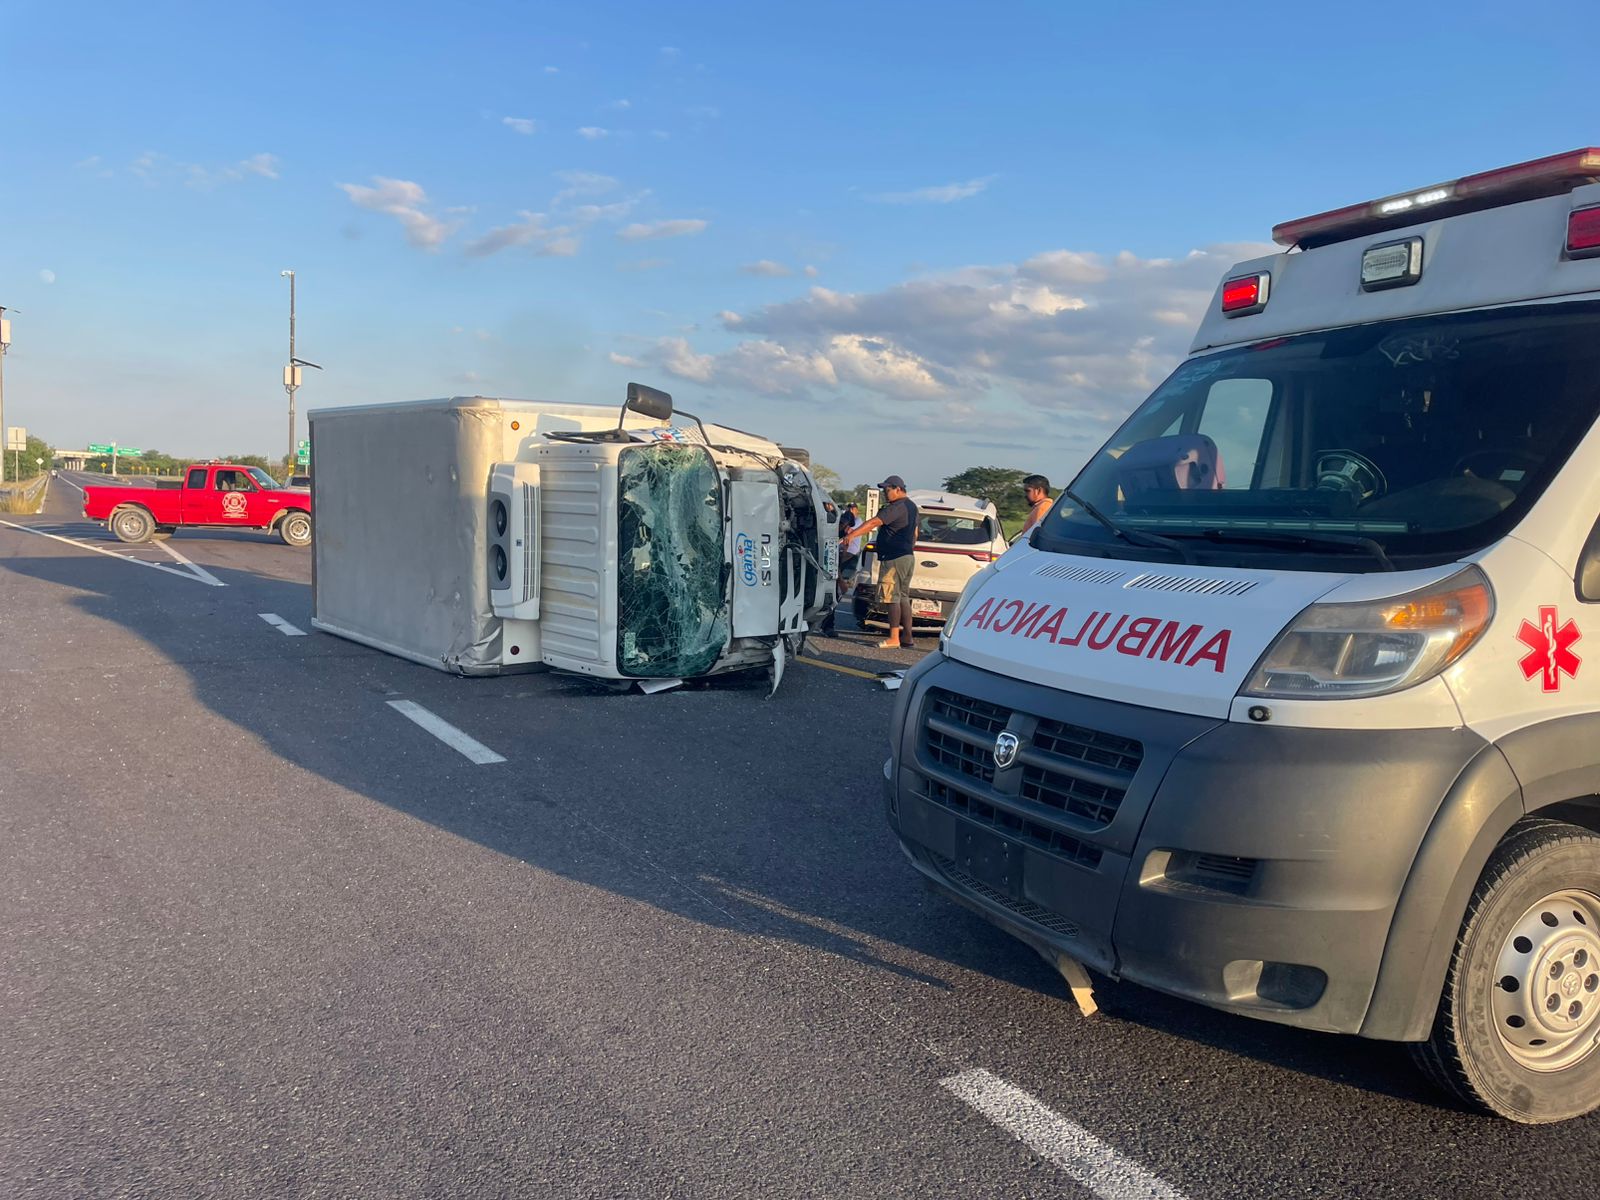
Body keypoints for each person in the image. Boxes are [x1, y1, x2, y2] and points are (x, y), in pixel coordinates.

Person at [844, 476, 918, 648]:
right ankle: (907, 637)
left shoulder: (897, 507)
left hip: (894, 559)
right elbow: (915, 532)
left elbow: (874, 522)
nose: (885, 493)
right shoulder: (912, 506)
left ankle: (894, 638)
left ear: (898, 489)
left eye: (887, 490)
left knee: (891, 597)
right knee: (903, 597)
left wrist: (852, 535)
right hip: (907, 556)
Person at [1017, 474, 1054, 538]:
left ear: (1039, 491)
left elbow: (1037, 536)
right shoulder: (1042, 506)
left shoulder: (1043, 508)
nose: (1025, 495)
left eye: (1027, 491)